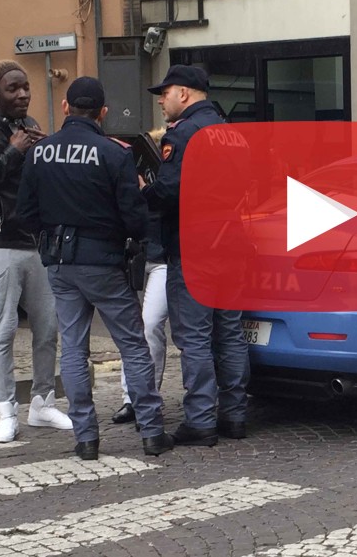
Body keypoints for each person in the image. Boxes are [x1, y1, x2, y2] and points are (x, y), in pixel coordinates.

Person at [15, 77, 173, 460]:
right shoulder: (114, 153)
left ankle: (85, 439)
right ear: (102, 112)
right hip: (103, 262)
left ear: (65, 107)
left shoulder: (39, 153)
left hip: (60, 263)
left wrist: (51, 236)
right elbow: (134, 218)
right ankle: (152, 432)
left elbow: (25, 213)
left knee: (73, 349)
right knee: (133, 346)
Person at [0, 60, 73, 443]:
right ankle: (6, 411)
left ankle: (42, 402)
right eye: (14, 88)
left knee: (47, 328)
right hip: (0, 244)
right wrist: (13, 152)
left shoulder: (28, 126)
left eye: (26, 87)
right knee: (3, 331)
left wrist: (42, 151)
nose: (24, 93)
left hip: (36, 242)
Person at [143, 65, 250, 446]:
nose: (161, 100)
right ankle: (234, 415)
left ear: (184, 94)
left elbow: (170, 190)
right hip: (232, 244)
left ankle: (201, 419)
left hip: (195, 247)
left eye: (165, 92)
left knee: (195, 337)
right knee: (230, 333)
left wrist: (143, 191)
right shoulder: (232, 133)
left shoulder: (183, 133)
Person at [113, 129, 170, 425]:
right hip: (136, 255)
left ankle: (146, 396)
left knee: (150, 325)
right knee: (132, 327)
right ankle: (131, 397)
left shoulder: (168, 179)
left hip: (161, 257)